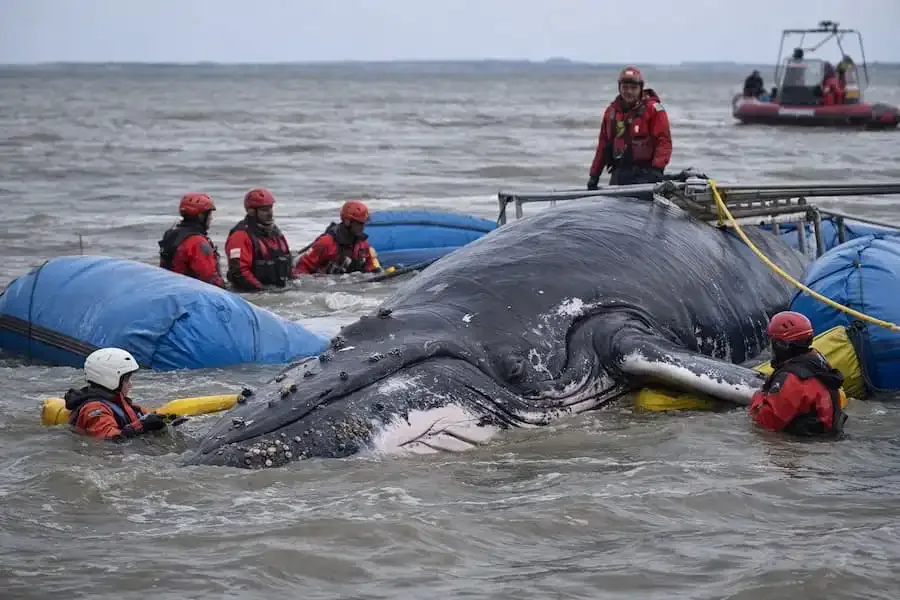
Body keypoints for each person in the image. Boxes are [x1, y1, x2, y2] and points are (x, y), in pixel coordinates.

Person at [749, 311, 847, 437]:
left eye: (773, 343)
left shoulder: (792, 378)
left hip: (805, 444)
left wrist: (758, 396)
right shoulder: (818, 362)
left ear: (781, 345)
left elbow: (765, 422)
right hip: (826, 440)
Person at [587, 66, 672, 189]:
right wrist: (594, 175)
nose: (629, 92)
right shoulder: (611, 113)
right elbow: (603, 145)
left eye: (633, 88)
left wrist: (657, 169)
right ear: (619, 88)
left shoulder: (654, 110)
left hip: (646, 174)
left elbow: (664, 142)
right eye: (625, 87)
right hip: (619, 173)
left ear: (641, 88)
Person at [64, 348, 170, 441]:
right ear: (110, 378)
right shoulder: (94, 408)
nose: (130, 385)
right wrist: (140, 427)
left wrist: (165, 420)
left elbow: (142, 415)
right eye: (127, 380)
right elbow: (109, 439)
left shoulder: (117, 401)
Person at [225, 188, 293, 292]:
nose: (270, 213)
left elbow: (287, 262)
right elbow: (239, 271)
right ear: (251, 211)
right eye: (265, 210)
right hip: (251, 294)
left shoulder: (275, 233)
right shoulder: (240, 236)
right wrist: (262, 290)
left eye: (271, 208)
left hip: (277, 290)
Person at [294, 200, 382, 275]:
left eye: (363, 223)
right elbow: (302, 268)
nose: (362, 227)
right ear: (347, 221)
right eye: (359, 223)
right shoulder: (326, 242)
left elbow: (370, 268)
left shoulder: (363, 243)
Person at [157, 193, 225, 288]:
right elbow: (209, 278)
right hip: (192, 295)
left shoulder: (171, 234)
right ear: (201, 216)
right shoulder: (197, 242)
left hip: (171, 289)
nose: (211, 218)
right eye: (209, 214)